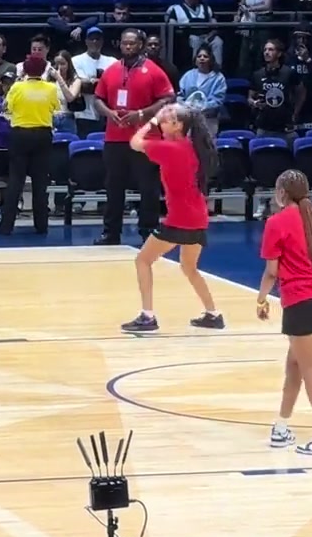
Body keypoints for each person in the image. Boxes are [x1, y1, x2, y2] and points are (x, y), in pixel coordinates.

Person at [258, 170, 312, 457]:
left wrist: (261, 299)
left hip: (299, 303)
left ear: (282, 193)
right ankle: (281, 428)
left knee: (310, 369)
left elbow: (272, 271)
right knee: (294, 364)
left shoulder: (276, 223)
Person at [121, 102, 223, 334]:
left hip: (180, 219)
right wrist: (158, 120)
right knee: (189, 267)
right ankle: (213, 314)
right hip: (198, 217)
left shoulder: (170, 149)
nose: (163, 117)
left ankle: (147, 316)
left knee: (143, 260)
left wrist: (152, 120)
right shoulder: (189, 146)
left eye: (168, 116)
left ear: (177, 125)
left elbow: (135, 142)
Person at [93, 27, 175, 245]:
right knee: (113, 187)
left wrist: (141, 114)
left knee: (148, 187)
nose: (128, 46)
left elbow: (168, 98)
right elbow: (98, 99)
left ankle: (148, 230)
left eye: (132, 43)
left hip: (145, 138)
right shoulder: (111, 70)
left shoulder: (154, 71)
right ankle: (111, 232)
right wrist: (109, 113)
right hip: (115, 139)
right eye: (124, 43)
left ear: (140, 45)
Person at [0, 53, 62, 236]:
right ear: (43, 70)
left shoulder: (17, 87)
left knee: (15, 181)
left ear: (24, 70)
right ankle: (41, 226)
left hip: (20, 134)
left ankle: (6, 226)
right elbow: (55, 108)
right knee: (40, 182)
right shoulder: (50, 88)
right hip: (42, 134)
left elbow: (6, 108)